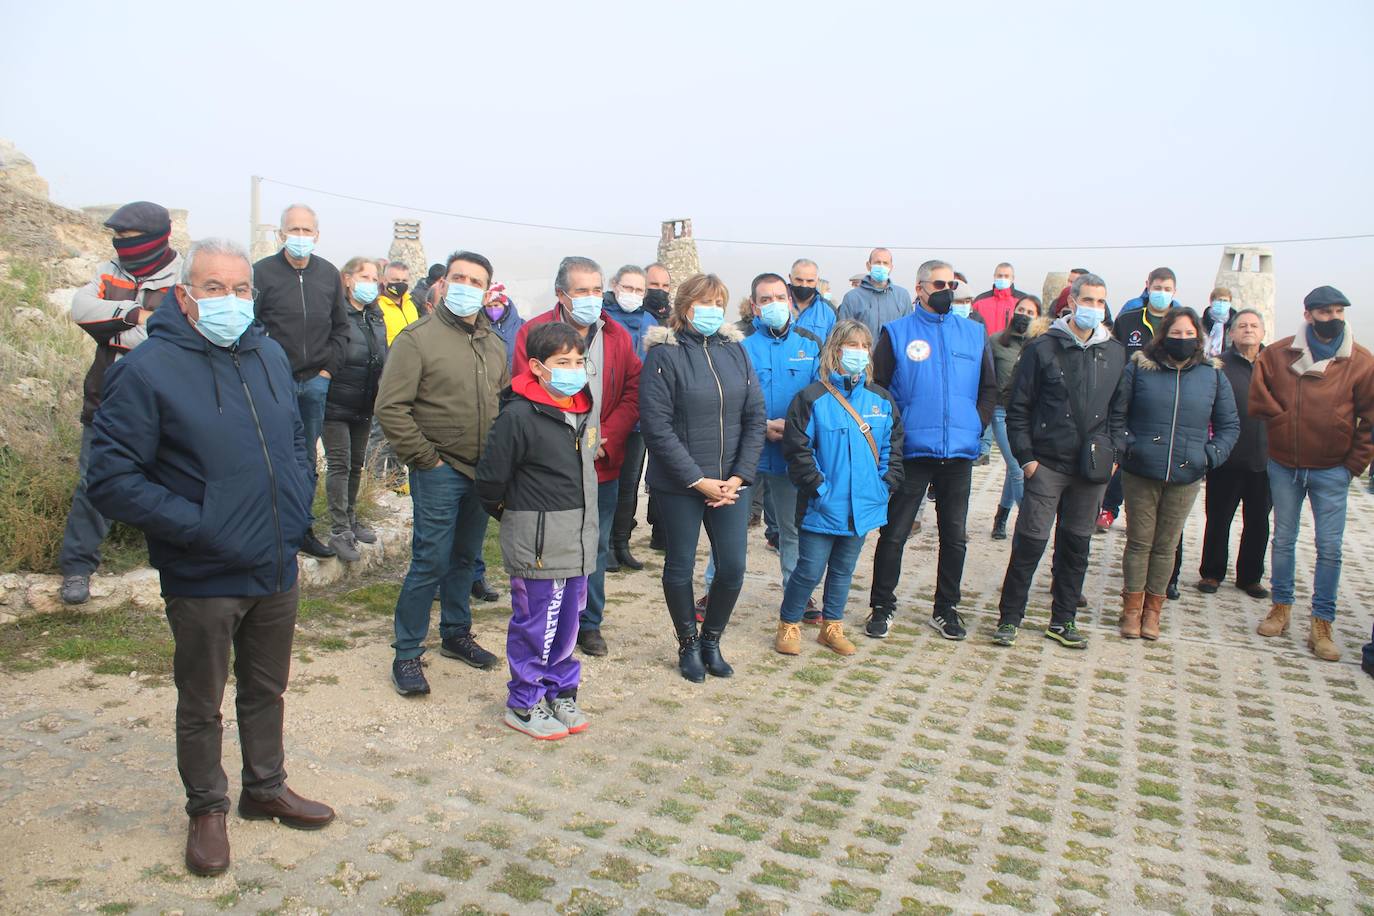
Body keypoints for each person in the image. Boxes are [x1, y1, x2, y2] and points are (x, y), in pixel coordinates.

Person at [86, 238, 333, 877]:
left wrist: (300, 505)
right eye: (215, 288)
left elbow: (297, 440)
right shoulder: (148, 369)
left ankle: (265, 787)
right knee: (202, 700)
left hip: (274, 563)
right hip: (204, 570)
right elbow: (111, 479)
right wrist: (200, 526)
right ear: (186, 294)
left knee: (266, 688)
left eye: (241, 288)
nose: (230, 299)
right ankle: (207, 809)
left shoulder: (269, 354)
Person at [375, 251, 510, 696]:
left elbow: (504, 403)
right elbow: (391, 408)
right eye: (459, 277)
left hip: (481, 470)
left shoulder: (493, 343)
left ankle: (456, 633)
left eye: (476, 279)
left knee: (466, 558)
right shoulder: (417, 339)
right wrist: (426, 459)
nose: (467, 285)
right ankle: (407, 652)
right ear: (444, 283)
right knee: (430, 558)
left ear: (488, 288)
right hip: (439, 467)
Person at [477, 322, 599, 740]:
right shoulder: (519, 415)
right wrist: (521, 521)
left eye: (579, 361)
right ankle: (524, 702)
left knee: (568, 622)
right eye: (562, 362)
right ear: (537, 367)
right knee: (538, 623)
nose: (573, 369)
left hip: (578, 540)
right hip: (539, 542)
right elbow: (491, 482)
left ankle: (559, 691)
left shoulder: (582, 410)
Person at [640, 273, 764, 682]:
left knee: (732, 567)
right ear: (684, 307)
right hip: (680, 484)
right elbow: (656, 427)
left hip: (731, 483)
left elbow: (754, 416)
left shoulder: (737, 352)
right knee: (679, 566)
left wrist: (740, 476)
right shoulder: (665, 355)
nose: (711, 311)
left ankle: (711, 639)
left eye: (718, 303)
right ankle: (688, 643)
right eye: (703, 303)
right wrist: (696, 479)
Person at [514, 258, 641, 658]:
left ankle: (589, 623)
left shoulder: (617, 335)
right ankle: (546, 621)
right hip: (549, 467)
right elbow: (522, 388)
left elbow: (633, 390)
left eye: (596, 289)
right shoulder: (532, 332)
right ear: (561, 295)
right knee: (550, 547)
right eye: (581, 290)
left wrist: (608, 436)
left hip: (601, 460)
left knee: (595, 545)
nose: (591, 298)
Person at [866, 259, 997, 640]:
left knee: (954, 535)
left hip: (958, 452)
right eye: (939, 284)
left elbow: (989, 388)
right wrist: (896, 431)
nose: (947, 291)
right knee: (895, 532)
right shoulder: (897, 332)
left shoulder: (974, 334)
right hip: (913, 451)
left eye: (952, 284)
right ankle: (881, 605)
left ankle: (946, 608)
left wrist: (976, 423)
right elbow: (880, 387)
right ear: (920, 288)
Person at [996, 274, 1130, 648]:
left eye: (1100, 302)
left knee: (1076, 547)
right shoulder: (1043, 348)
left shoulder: (1115, 352)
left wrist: (1115, 452)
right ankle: (1009, 618)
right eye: (1087, 300)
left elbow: (1120, 411)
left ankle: (1063, 620)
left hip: (1092, 469)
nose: (1093, 308)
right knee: (1029, 544)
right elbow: (1017, 407)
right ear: (1071, 301)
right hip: (1047, 464)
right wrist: (1027, 459)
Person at [61, 201, 183, 605]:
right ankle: (77, 567)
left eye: (130, 239)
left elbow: (171, 337)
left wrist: (111, 330)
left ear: (157, 238)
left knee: (172, 483)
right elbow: (80, 308)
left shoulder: (183, 278)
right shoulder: (109, 271)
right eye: (118, 238)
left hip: (166, 402)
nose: (122, 246)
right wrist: (135, 314)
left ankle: (174, 560)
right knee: (93, 483)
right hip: (106, 399)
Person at [1249, 286, 1374, 661]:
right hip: (1285, 463)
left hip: (1333, 469)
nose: (1333, 318)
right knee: (1284, 539)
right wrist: (1282, 422)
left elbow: (1370, 418)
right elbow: (1259, 394)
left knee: (1330, 548)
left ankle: (1322, 621)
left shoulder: (1361, 361)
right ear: (1308, 315)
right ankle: (1281, 606)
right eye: (1324, 312)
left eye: (1339, 311)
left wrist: (1354, 464)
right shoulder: (1278, 353)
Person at [777, 320, 903, 656]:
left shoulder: (882, 400)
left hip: (863, 505)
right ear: (835, 350)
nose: (858, 353)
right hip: (823, 505)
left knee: (844, 570)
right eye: (852, 345)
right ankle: (788, 623)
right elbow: (798, 450)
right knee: (809, 570)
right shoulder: (811, 398)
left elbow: (893, 448)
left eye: (864, 346)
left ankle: (832, 626)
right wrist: (819, 489)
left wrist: (883, 486)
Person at [1117, 308, 1239, 640]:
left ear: (1198, 338)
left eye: (1189, 334)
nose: (1182, 339)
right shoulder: (1141, 367)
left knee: (1166, 545)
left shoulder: (1212, 375)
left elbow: (1229, 425)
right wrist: (1129, 445)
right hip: (1141, 470)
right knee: (1139, 542)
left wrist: (1209, 456)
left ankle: (1153, 612)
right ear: (1164, 335)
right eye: (1176, 333)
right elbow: (1118, 414)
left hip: (1187, 473)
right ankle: (1131, 609)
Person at [252, 204, 350, 559]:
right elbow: (251, 325)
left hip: (315, 383)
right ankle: (267, 530)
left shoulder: (328, 274)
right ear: (280, 234)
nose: (300, 236)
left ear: (317, 235)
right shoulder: (261, 273)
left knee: (306, 460)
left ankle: (301, 528)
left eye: (307, 230)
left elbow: (341, 327)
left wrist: (327, 372)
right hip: (273, 383)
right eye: (294, 229)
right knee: (268, 455)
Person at [740, 272, 822, 607]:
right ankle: (713, 592)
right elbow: (732, 399)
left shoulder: (810, 345)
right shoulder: (741, 348)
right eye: (765, 300)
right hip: (748, 454)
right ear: (755, 307)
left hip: (791, 453)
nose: (774, 305)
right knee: (731, 530)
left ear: (790, 301)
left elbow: (820, 398)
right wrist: (760, 427)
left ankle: (798, 596)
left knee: (792, 532)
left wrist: (792, 429)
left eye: (779, 298)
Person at [1098, 266, 1183, 538]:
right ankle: (1108, 508)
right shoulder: (1130, 319)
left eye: (1167, 289)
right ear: (1147, 286)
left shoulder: (1180, 324)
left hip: (1166, 405)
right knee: (1122, 455)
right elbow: (1114, 356)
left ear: (1175, 291)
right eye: (1157, 287)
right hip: (1129, 399)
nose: (1161, 293)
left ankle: (1147, 519)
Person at [1197, 309, 1270, 597]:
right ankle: (1212, 573)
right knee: (1218, 518)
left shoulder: (1273, 364)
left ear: (1263, 332)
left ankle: (1250, 577)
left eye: (1254, 325)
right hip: (1225, 458)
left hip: (1264, 460)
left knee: (1258, 521)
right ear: (1231, 333)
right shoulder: (1219, 365)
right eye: (1242, 326)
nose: (1248, 330)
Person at [322, 257, 388, 561]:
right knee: (339, 463)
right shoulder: (335, 314)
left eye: (374, 278)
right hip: (335, 402)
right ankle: (339, 530)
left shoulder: (375, 316)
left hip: (364, 403)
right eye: (364, 276)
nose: (370, 283)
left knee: (355, 465)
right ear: (347, 279)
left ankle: (350, 519)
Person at [603, 265, 657, 574]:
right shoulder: (602, 318)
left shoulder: (649, 322)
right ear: (615, 285)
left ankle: (622, 542)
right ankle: (607, 544)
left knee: (630, 484)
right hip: (610, 415)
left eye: (639, 290)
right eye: (628, 287)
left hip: (638, 419)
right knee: (608, 481)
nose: (632, 294)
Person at [987, 297, 1046, 539]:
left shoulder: (1042, 344)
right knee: (1017, 467)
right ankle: (1027, 521)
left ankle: (1001, 518)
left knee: (1014, 468)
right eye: (1021, 310)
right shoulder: (997, 341)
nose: (1024, 314)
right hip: (1001, 410)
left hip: (1028, 414)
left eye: (1030, 311)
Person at [838, 248, 912, 340]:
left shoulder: (902, 296)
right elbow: (842, 334)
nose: (881, 266)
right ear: (868, 266)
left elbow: (909, 331)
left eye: (885, 263)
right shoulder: (852, 297)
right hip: (865, 353)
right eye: (877, 262)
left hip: (892, 354)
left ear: (891, 267)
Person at [971, 262, 1031, 336]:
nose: (1003, 279)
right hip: (986, 346)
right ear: (994, 277)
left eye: (1006, 276)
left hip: (1013, 346)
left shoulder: (1023, 301)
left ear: (1012, 278)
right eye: (999, 276)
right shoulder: (979, 301)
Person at [788, 257, 837, 341]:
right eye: (799, 280)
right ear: (790, 278)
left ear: (817, 280)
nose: (804, 285)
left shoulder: (829, 311)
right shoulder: (777, 305)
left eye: (810, 281)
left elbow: (834, 345)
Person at [377, 262, 420, 345]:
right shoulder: (377, 306)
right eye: (395, 280)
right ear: (385, 281)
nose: (400, 283)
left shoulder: (410, 305)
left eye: (404, 280)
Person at [483, 282, 525, 366]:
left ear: (505, 305)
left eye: (496, 305)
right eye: (489, 306)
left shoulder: (522, 326)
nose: (493, 309)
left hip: (518, 376)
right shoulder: (480, 328)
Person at [1202, 286, 1235, 357]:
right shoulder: (1201, 323)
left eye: (1225, 301)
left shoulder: (1235, 325)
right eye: (1219, 300)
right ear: (1211, 301)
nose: (1222, 304)